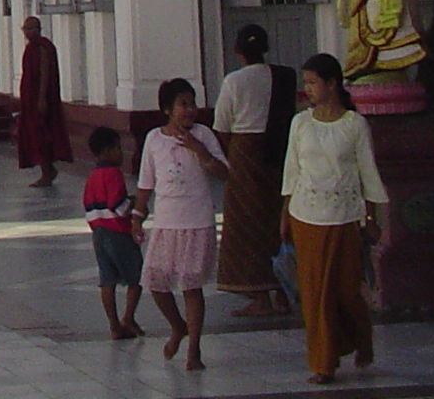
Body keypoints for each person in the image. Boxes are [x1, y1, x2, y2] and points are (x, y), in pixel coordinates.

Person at [282, 52, 387, 384]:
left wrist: (372, 217)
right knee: (314, 293)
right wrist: (284, 213)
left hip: (343, 217)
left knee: (344, 291)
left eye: (313, 83)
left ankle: (359, 340)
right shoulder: (301, 123)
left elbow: (367, 173)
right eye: (306, 83)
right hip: (305, 215)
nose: (308, 90)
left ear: (332, 84)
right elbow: (292, 171)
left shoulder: (355, 125)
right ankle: (323, 362)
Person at [131, 77, 229, 371]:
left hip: (197, 222)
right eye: (182, 105)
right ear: (167, 109)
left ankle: (194, 350)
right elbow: (146, 181)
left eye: (192, 103)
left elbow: (223, 172)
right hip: (166, 222)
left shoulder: (204, 135)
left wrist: (200, 151)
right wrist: (138, 215)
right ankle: (178, 326)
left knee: (191, 285)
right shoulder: (154, 139)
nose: (189, 110)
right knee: (156, 282)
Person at [214, 23, 299, 316]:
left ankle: (259, 296)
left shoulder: (234, 82)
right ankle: (282, 293)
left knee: (246, 226)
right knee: (276, 219)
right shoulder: (284, 77)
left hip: (245, 153)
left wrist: (233, 156)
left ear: (238, 51)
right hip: (278, 152)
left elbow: (222, 125)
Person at [83, 126, 145, 340]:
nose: (122, 153)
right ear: (107, 151)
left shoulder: (92, 177)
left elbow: (89, 207)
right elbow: (118, 205)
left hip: (98, 233)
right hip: (118, 232)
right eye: (118, 148)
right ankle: (128, 317)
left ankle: (114, 325)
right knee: (135, 276)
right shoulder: (114, 174)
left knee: (107, 280)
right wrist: (135, 203)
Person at [15, 16, 71, 186]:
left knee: (42, 135)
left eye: (29, 28)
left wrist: (41, 98)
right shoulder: (31, 47)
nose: (26, 32)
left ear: (37, 28)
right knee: (33, 136)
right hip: (29, 99)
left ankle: (48, 171)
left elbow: (45, 72)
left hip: (41, 99)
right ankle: (45, 170)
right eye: (24, 28)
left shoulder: (42, 47)